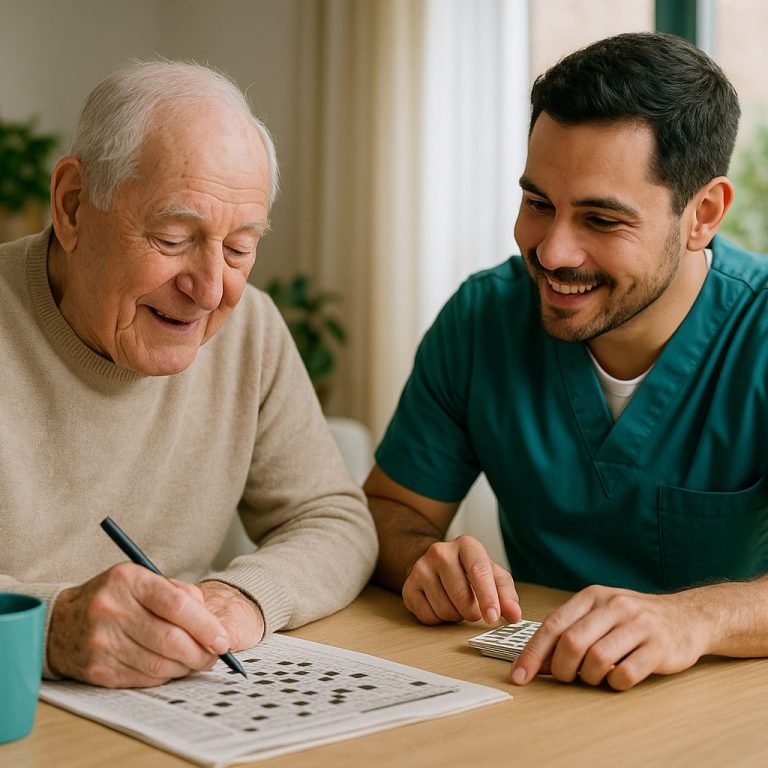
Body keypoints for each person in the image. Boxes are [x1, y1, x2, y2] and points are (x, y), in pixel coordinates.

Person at [365, 31, 768, 691]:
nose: (552, 253)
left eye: (602, 221)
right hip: (534, 695)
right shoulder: (482, 320)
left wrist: (695, 619)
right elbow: (389, 511)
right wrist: (423, 560)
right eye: (537, 205)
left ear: (703, 214)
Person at [0, 60, 377, 688]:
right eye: (174, 238)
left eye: (238, 249)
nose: (208, 291)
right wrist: (51, 625)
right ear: (72, 207)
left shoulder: (249, 328)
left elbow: (334, 519)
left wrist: (242, 599)